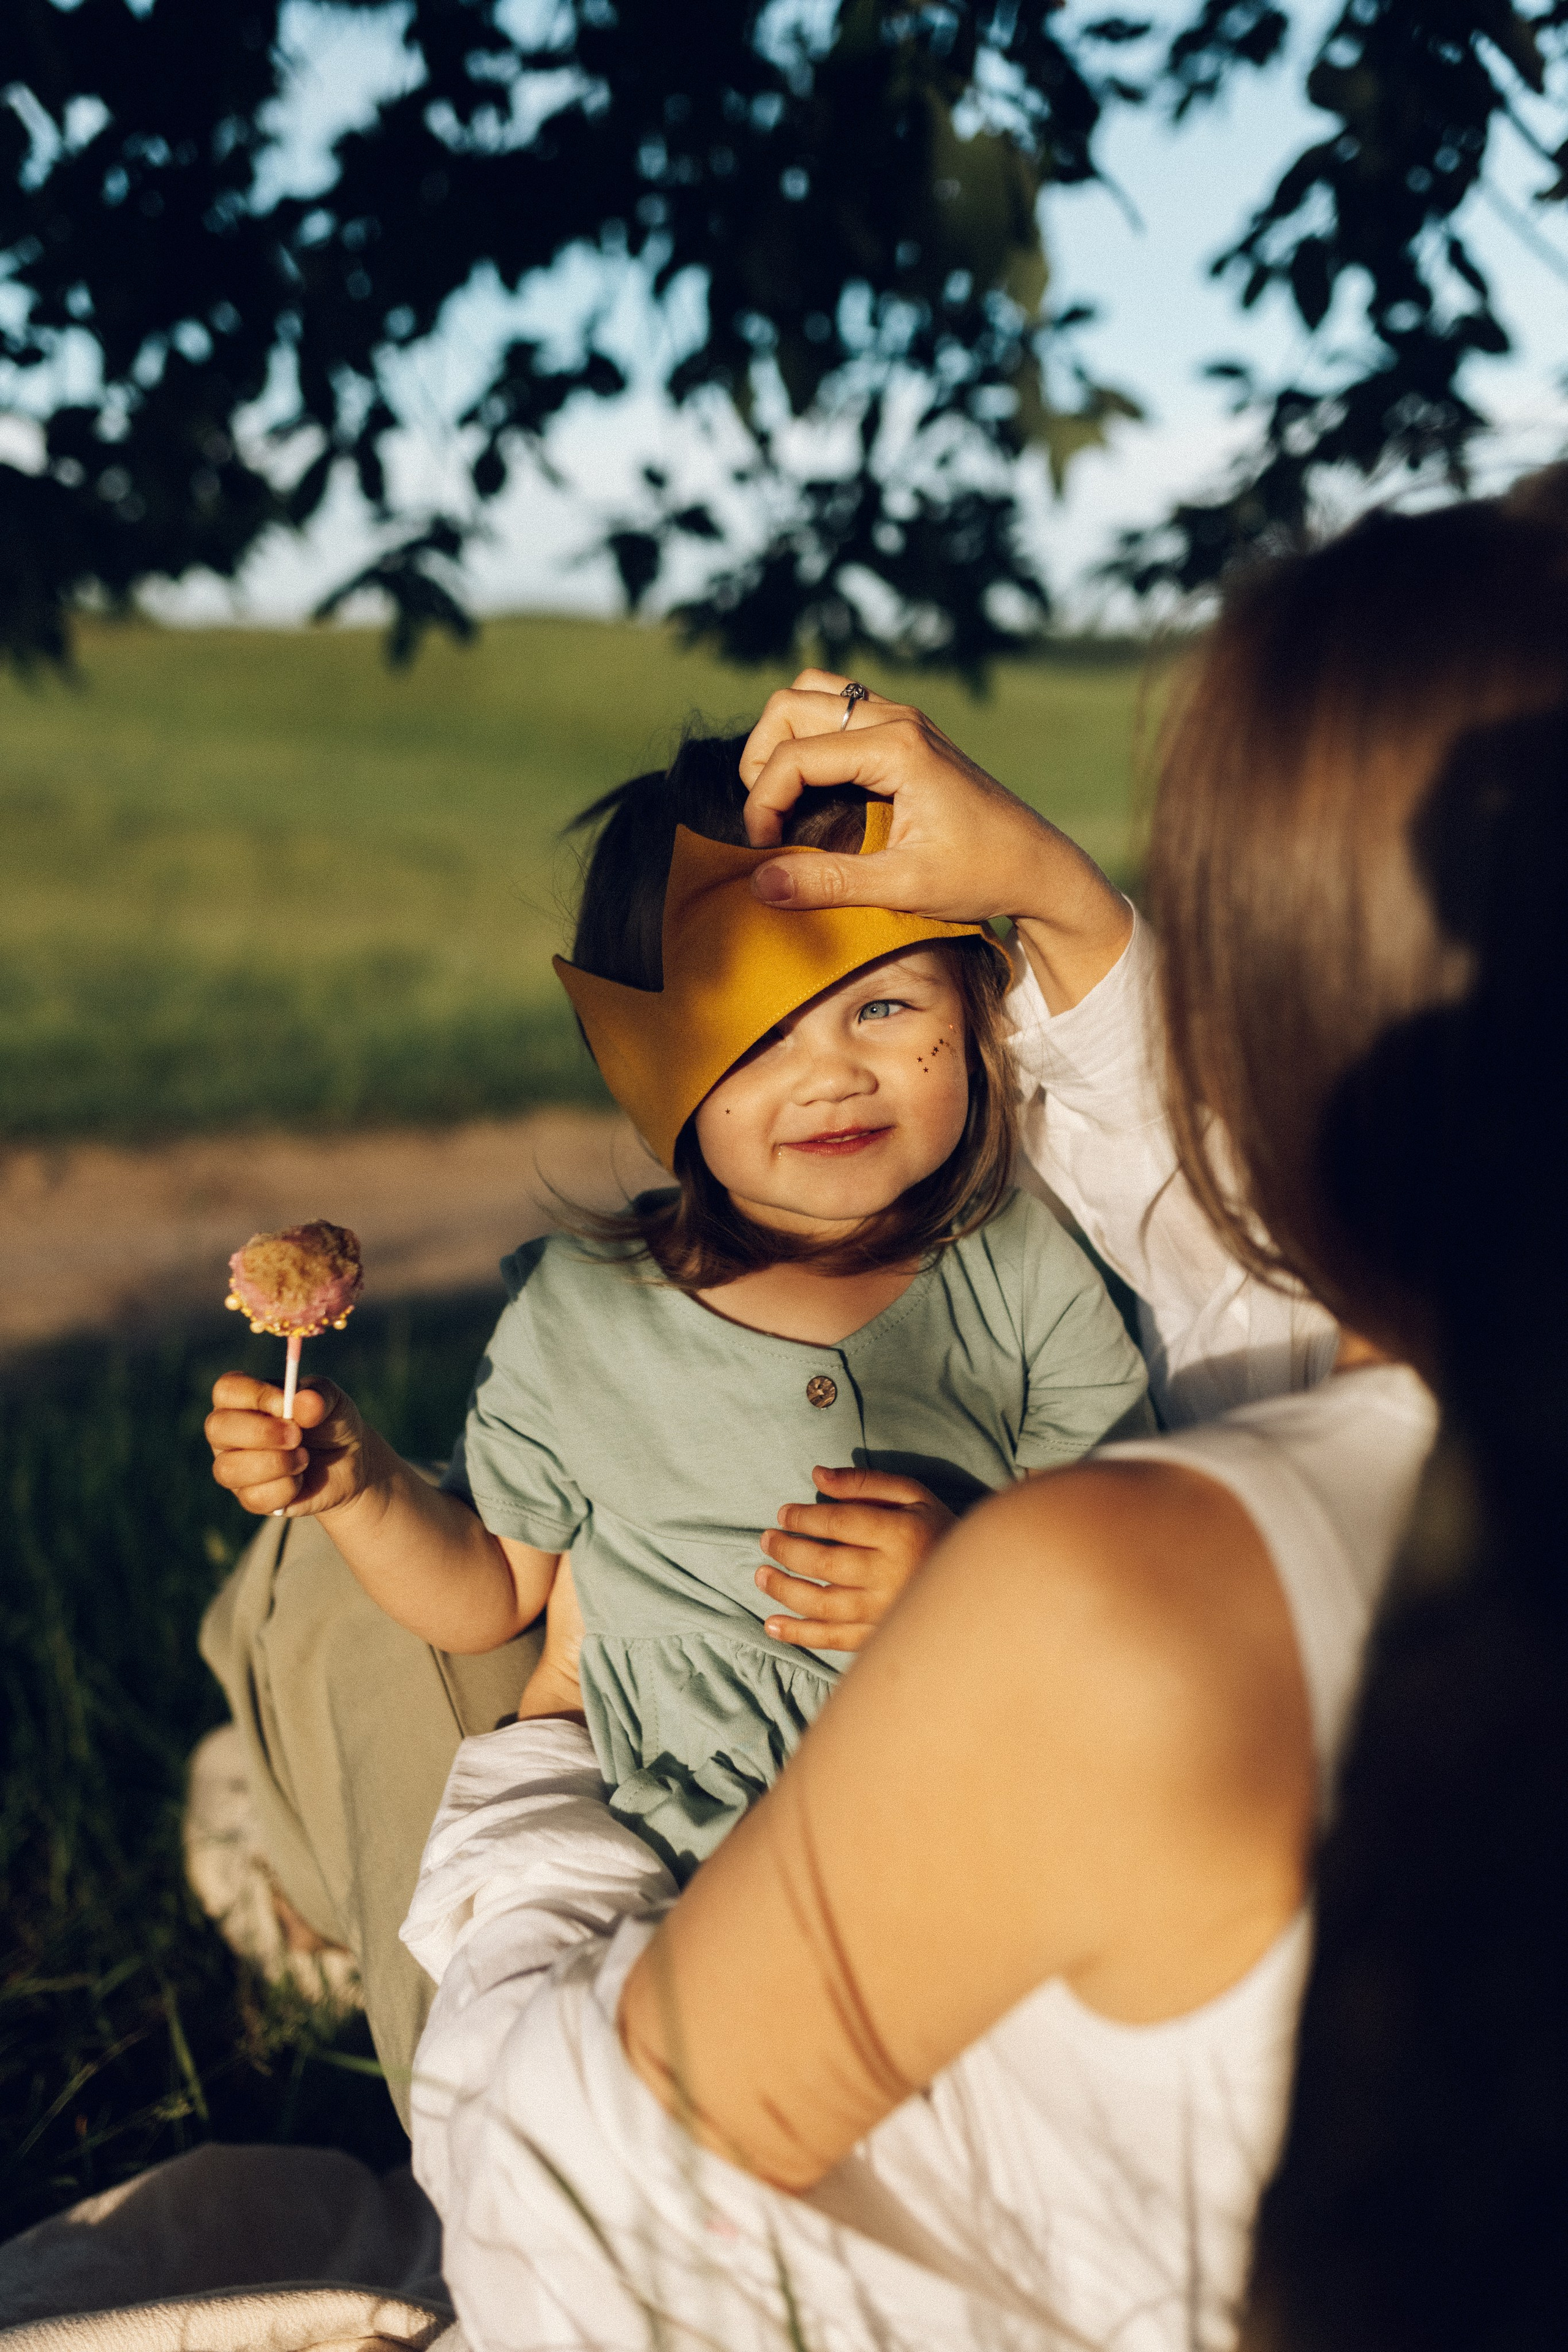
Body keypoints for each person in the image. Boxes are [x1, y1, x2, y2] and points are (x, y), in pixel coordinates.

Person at [399, 484, 1568, 2352]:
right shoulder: (1418, 1440)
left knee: (350, 1663)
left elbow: (563, 2214)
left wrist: (543, 1765)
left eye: (893, 1008)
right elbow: (1244, 1274)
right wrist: (1058, 902)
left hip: (711, 2070)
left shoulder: (1118, 1601)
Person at [203, 742, 1150, 1886]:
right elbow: (492, 1592)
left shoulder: (1025, 1275)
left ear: (976, 1004)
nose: (832, 1074)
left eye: (886, 1006)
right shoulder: (582, 1311)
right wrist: (358, 1491)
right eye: (756, 1036)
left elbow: (1123, 1572)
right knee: (529, 2024)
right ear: (653, 1067)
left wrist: (963, 1585)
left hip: (944, 1805)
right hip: (638, 1831)